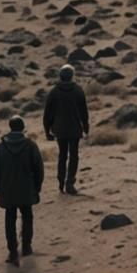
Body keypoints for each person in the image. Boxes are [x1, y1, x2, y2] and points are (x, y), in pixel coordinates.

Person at [0, 115, 44, 266]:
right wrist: (37, 186)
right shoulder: (30, 145)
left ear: (10, 127)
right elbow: (39, 168)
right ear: (22, 128)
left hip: (7, 188)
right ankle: (26, 246)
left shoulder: (0, 147)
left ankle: (12, 249)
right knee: (27, 216)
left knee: (10, 218)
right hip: (26, 188)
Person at [43, 63, 89, 194]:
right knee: (74, 155)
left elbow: (47, 114)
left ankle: (61, 182)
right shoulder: (78, 90)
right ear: (72, 76)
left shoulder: (54, 92)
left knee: (62, 155)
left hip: (59, 129)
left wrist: (47, 130)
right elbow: (84, 112)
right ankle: (70, 182)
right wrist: (85, 127)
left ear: (60, 76)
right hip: (74, 128)